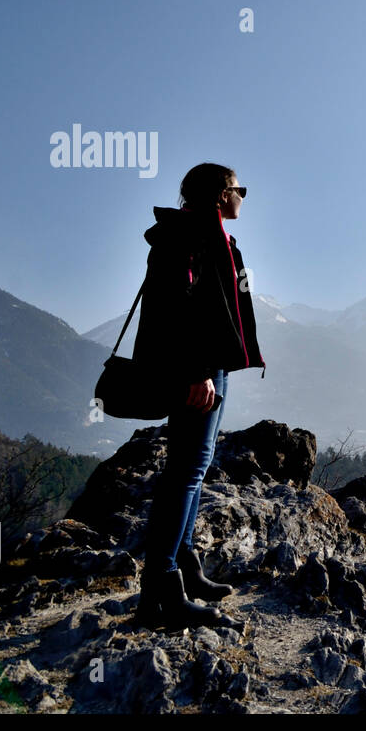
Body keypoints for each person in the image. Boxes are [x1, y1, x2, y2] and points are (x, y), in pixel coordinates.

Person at [131, 162, 266, 630]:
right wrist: (196, 371)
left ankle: (185, 567)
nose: (243, 196)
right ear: (218, 195)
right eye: (238, 189)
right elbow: (174, 308)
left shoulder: (215, 236)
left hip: (213, 367)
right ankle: (162, 592)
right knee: (184, 472)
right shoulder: (188, 234)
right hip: (196, 371)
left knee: (196, 466)